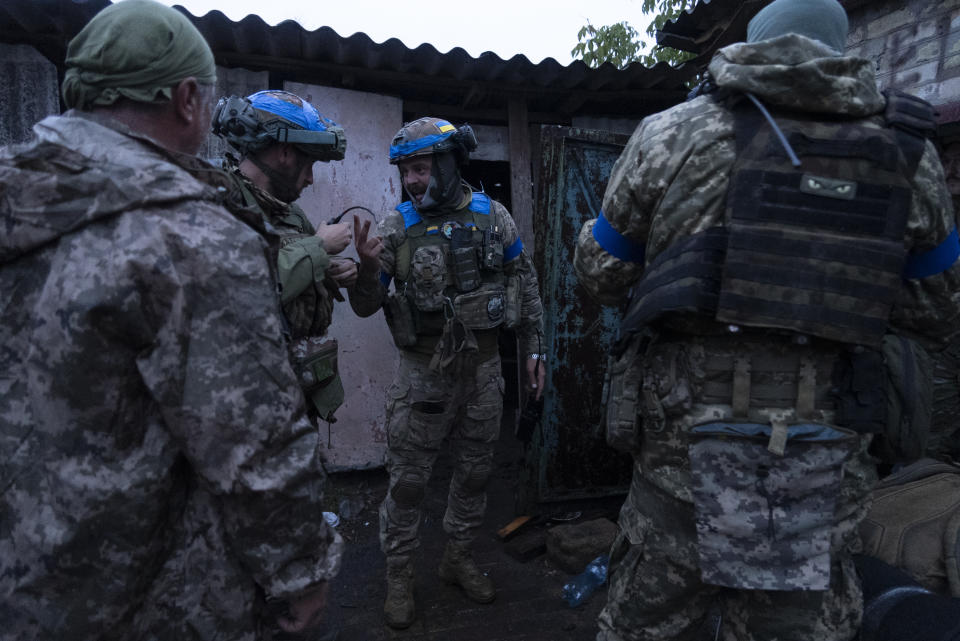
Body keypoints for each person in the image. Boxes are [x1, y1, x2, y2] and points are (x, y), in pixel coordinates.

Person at [573, 0, 960, 640]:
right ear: (843, 47)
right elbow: (939, 310)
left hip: (681, 460)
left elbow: (601, 275)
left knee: (644, 624)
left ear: (754, 42)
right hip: (819, 461)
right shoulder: (908, 153)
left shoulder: (671, 133)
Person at [0, 1, 341, 639]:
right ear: (188, 99)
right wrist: (300, 572)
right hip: (148, 597)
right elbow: (253, 444)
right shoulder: (189, 235)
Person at [349, 116, 545, 629]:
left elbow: (524, 281)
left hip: (483, 373)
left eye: (420, 168)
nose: (412, 180)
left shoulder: (493, 217)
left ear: (448, 161)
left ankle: (457, 558)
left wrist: (535, 350)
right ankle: (399, 576)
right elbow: (368, 307)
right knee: (410, 483)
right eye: (406, 171)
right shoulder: (396, 227)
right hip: (423, 378)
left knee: (476, 473)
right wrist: (368, 271)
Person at [213, 89, 355, 422]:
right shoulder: (219, 202)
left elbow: (290, 278)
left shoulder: (291, 215)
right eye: (310, 164)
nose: (310, 178)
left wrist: (329, 271)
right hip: (244, 403)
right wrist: (319, 247)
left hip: (295, 395)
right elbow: (239, 291)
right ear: (286, 153)